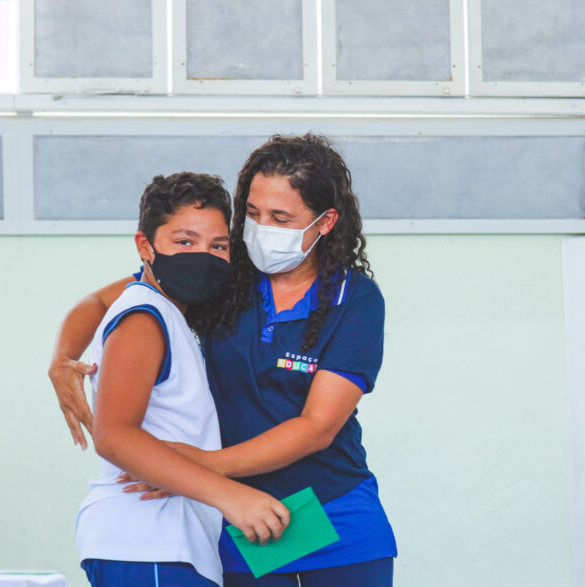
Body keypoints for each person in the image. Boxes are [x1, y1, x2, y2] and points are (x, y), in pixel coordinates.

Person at [50, 134, 397, 586]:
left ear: (326, 221)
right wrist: (62, 359)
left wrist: (202, 465)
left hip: (335, 511)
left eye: (280, 218)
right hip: (240, 520)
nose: (261, 227)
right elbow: (102, 302)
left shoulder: (355, 299)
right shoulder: (218, 273)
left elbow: (318, 426)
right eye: (252, 213)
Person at [73, 172, 289, 587]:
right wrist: (231, 495)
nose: (203, 256)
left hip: (166, 546)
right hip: (148, 542)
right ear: (145, 246)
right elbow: (114, 435)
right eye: (185, 242)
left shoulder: (170, 315)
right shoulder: (143, 317)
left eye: (218, 246)